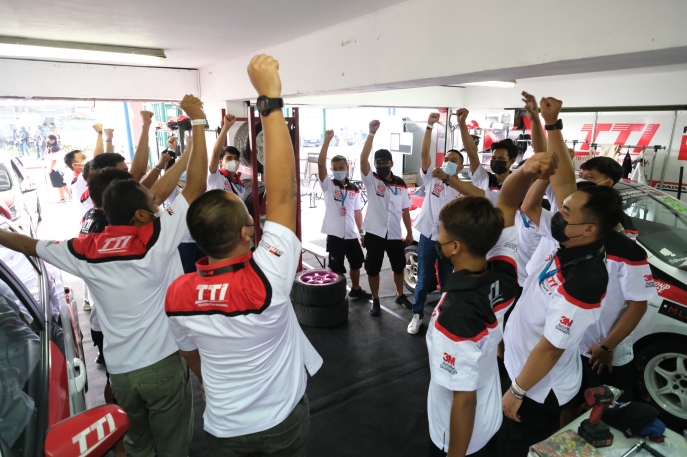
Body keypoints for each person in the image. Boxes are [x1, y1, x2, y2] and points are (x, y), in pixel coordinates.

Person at [0, 95, 208, 457]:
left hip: (122, 372)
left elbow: (28, 244)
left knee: (138, 444)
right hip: (162, 365)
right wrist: (200, 125)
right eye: (152, 201)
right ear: (142, 215)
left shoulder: (83, 249)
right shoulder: (156, 237)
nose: (157, 202)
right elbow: (196, 187)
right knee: (173, 446)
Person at [164, 54, 322, 457]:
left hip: (223, 427)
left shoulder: (178, 294)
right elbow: (284, 194)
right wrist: (268, 99)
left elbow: (189, 354)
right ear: (247, 231)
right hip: (280, 424)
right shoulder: (268, 278)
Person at [502, 96, 624, 457]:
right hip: (520, 365)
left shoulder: (584, 280)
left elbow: (551, 347)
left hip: (539, 388)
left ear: (587, 229)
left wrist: (518, 392)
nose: (557, 210)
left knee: (521, 446)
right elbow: (564, 178)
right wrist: (551, 123)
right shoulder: (570, 238)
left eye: (565, 210)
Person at [426, 150, 558, 457]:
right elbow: (509, 203)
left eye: (441, 234)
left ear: (455, 247)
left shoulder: (455, 315)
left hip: (457, 436)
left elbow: (463, 399)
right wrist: (527, 170)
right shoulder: (504, 272)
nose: (438, 238)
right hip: (489, 420)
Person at [407, 112, 464, 335]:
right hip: (427, 238)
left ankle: (442, 317)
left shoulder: (461, 190)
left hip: (448, 242)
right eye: (446, 159)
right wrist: (429, 127)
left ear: (460, 168)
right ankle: (417, 315)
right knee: (423, 280)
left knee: (448, 281)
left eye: (454, 161)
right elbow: (424, 154)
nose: (448, 163)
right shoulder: (432, 178)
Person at [360, 120, 414, 315]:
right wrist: (371, 134)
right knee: (373, 269)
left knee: (399, 266)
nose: (380, 165)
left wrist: (408, 231)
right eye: (378, 163)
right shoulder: (372, 180)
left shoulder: (401, 184)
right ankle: (375, 300)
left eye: (384, 162)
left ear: (391, 163)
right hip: (374, 232)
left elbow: (405, 210)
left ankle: (400, 295)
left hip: (394, 233)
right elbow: (363, 160)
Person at [317, 129, 370, 299]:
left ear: (347, 167)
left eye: (342, 167)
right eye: (335, 168)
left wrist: (361, 232)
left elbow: (356, 212)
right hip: (335, 234)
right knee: (336, 267)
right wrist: (327, 141)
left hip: (351, 234)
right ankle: (336, 295)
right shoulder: (328, 185)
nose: (339, 170)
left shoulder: (354, 189)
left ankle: (356, 289)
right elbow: (320, 165)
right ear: (331, 168)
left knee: (356, 263)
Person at [463, 111, 518, 191]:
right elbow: (472, 153)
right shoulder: (484, 179)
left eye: (501, 159)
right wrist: (461, 123)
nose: (496, 161)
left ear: (512, 161)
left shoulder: (519, 183)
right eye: (494, 158)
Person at [208, 114, 245, 200]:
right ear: (221, 162)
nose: (233, 161)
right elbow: (215, 154)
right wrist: (226, 127)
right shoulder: (216, 176)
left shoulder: (240, 184)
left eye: (236, 158)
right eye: (229, 158)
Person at [45, 134, 72, 203]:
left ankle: (62, 198)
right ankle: (70, 195)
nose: (48, 142)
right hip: (59, 168)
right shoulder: (55, 147)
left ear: (53, 140)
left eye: (49, 140)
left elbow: (54, 160)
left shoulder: (54, 148)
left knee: (58, 184)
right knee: (62, 183)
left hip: (55, 169)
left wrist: (50, 168)